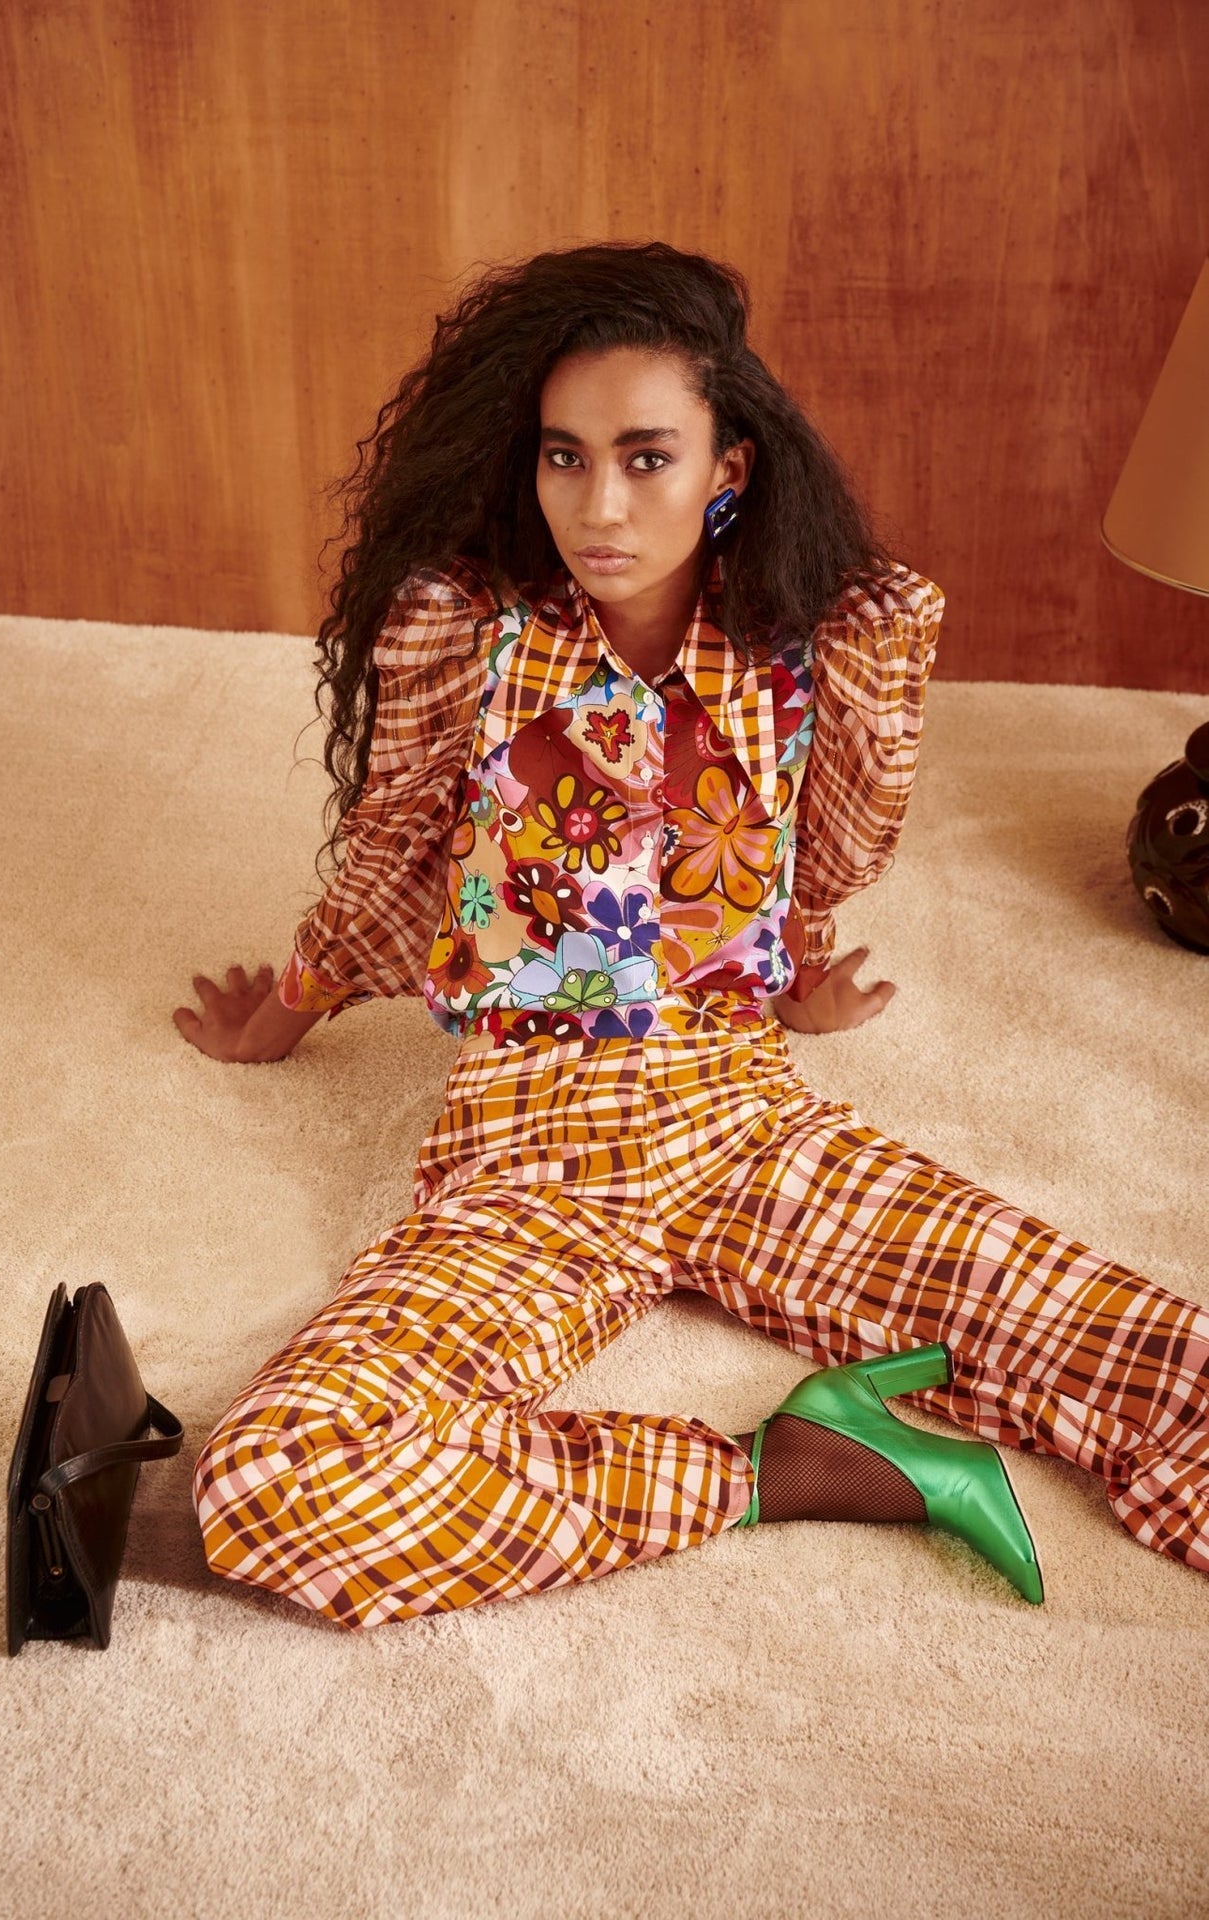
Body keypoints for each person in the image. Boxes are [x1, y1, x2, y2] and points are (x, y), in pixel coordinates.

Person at [174, 241, 1209, 1630]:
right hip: (529, 1161)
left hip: (743, 1124)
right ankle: (795, 1466)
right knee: (279, 1480)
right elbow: (392, 845)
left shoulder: (817, 640)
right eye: (564, 456)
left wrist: (790, 968)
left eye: (646, 457)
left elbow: (822, 846)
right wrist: (288, 1008)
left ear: (728, 469)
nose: (597, 504)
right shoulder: (471, 631)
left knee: (1168, 1363)